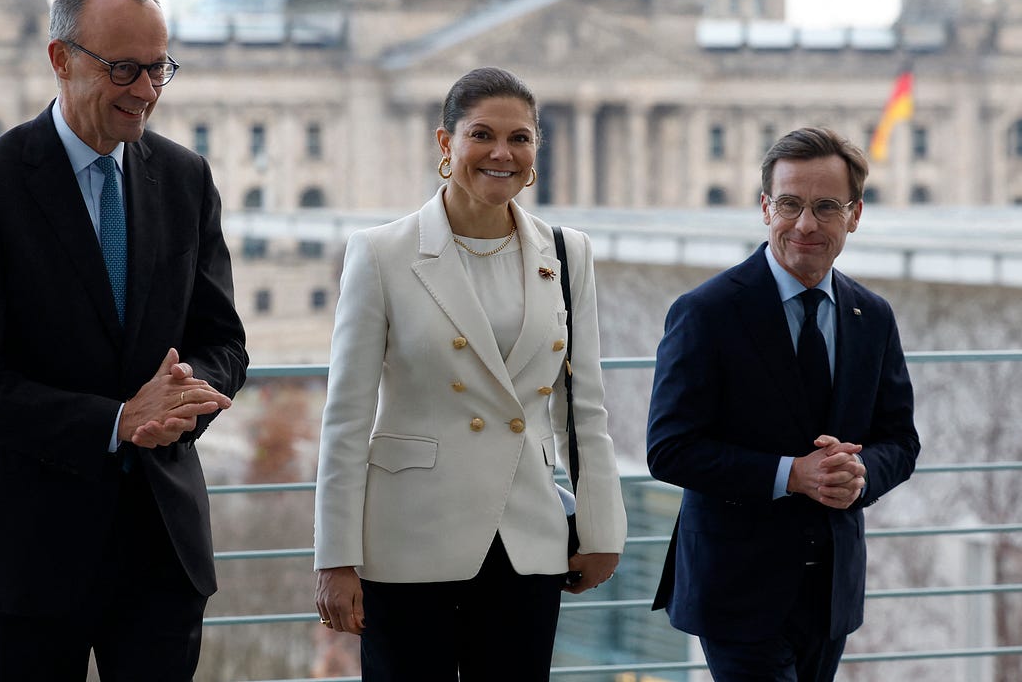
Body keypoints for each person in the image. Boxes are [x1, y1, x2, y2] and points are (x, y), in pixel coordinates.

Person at [0, 0, 248, 681]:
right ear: (61, 59)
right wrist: (117, 420)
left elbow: (223, 341)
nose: (146, 90)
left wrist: (183, 402)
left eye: (159, 67)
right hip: (27, 550)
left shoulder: (188, 177)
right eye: (123, 68)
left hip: (162, 544)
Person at [313, 66, 628, 681]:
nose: (502, 153)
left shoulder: (568, 253)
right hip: (409, 541)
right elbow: (346, 418)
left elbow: (582, 406)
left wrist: (601, 528)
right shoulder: (382, 253)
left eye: (521, 138)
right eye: (482, 134)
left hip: (526, 538)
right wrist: (336, 558)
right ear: (445, 144)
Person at [645, 126, 920, 682]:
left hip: (832, 592)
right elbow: (670, 449)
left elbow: (901, 441)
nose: (806, 225)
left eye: (825, 207)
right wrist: (792, 475)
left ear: (856, 213)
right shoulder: (707, 312)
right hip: (736, 589)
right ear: (765, 207)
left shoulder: (873, 316)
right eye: (790, 204)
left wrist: (861, 474)